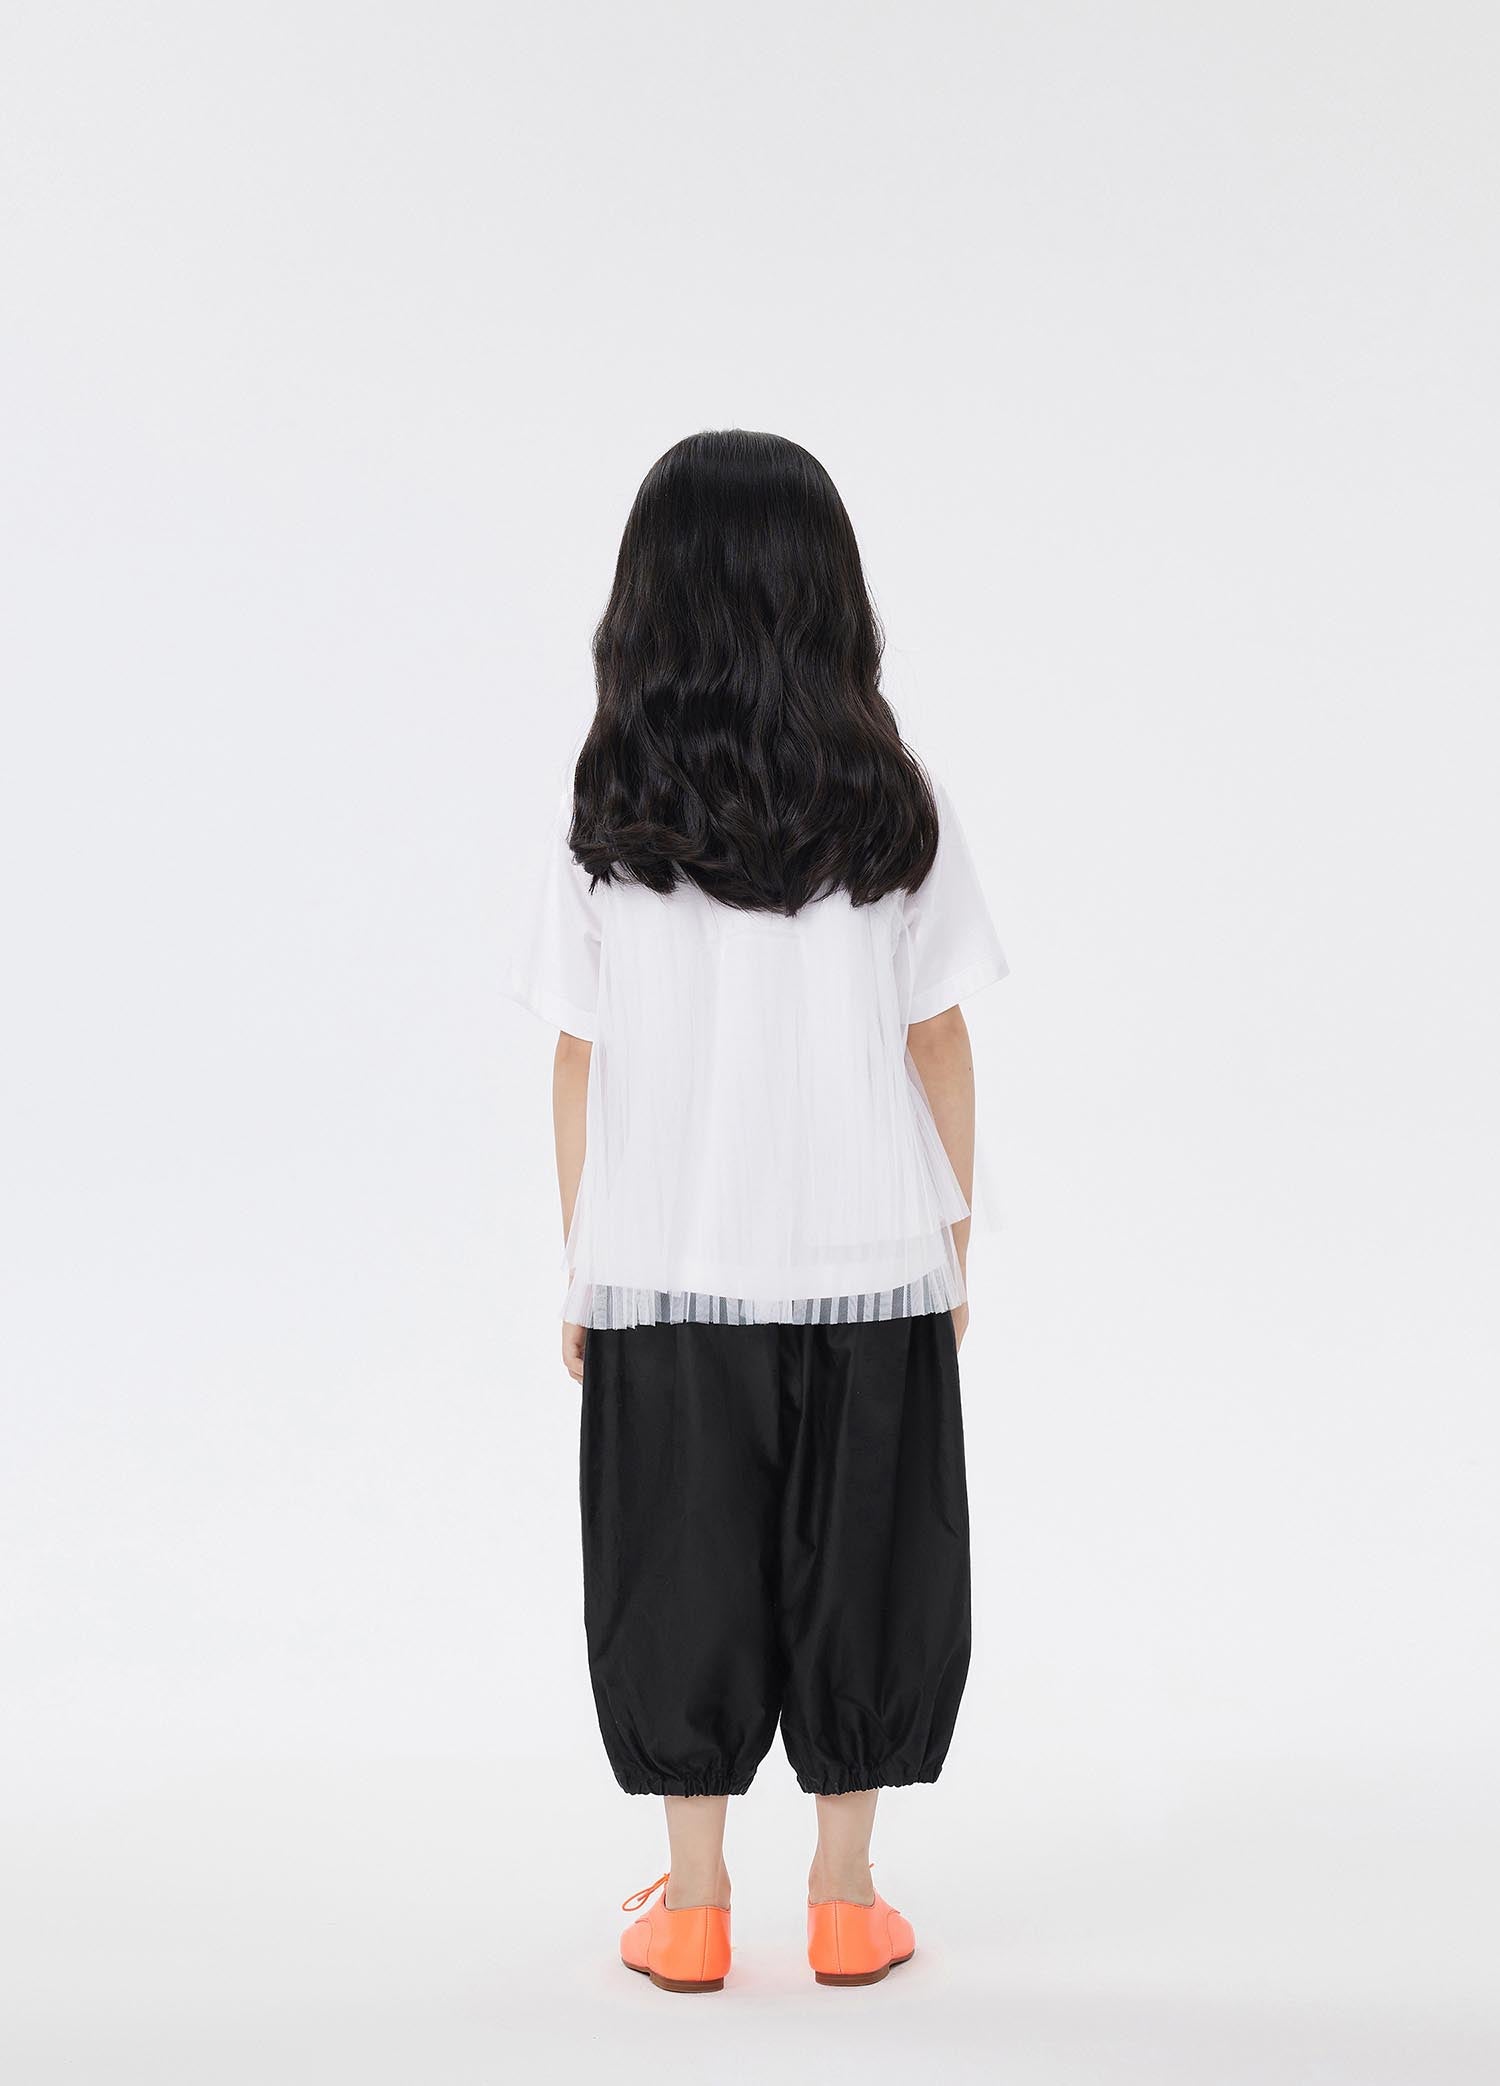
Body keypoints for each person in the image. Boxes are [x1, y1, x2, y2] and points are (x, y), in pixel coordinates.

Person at [506, 429, 1007, 1993]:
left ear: (645, 605)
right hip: (869, 1256)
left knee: (678, 1560)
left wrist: (585, 1265)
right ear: (830, 596)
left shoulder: (610, 816)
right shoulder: (894, 808)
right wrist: (952, 1242)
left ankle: (696, 1900)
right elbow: (938, 1036)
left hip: (667, 1264)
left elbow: (579, 1057)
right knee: (869, 1560)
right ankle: (847, 1895)